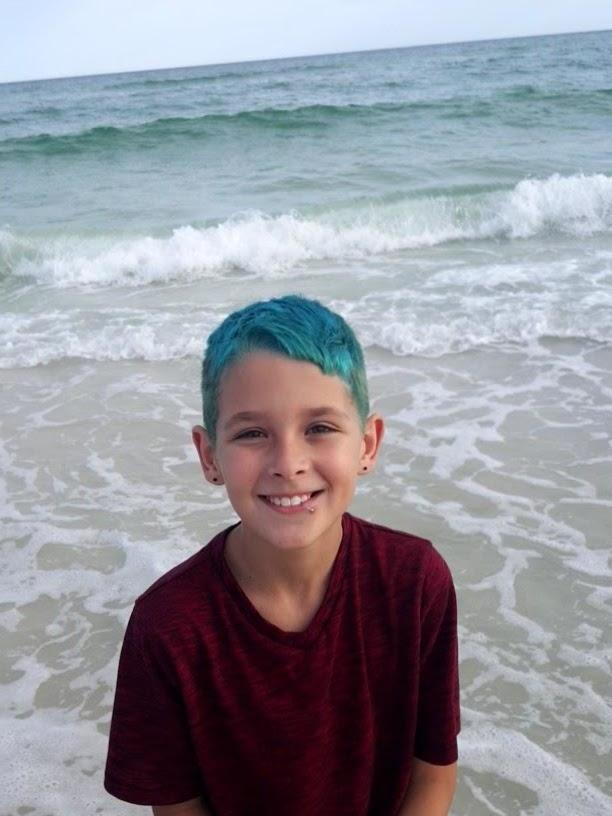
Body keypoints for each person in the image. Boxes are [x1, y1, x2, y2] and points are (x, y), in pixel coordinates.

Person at [104, 295, 460, 816]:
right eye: (252, 433)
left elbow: (433, 771)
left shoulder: (415, 582)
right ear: (209, 456)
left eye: (319, 428)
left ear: (367, 444)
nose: (288, 464)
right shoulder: (168, 627)